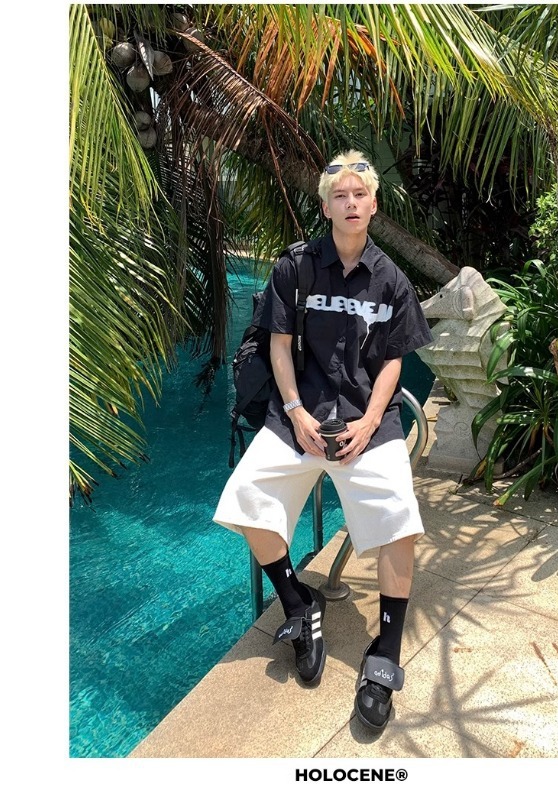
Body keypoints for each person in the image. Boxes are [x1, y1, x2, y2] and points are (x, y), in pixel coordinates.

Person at [213, 149, 433, 731]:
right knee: (246, 498)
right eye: (340, 195)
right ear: (326, 206)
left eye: (360, 194)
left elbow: (393, 361)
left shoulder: (391, 279)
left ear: (374, 204)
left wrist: (370, 421)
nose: (351, 203)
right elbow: (278, 345)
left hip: (367, 421)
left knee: (400, 520)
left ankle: (385, 651)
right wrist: (295, 412)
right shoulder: (296, 268)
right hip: (299, 417)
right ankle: (297, 603)